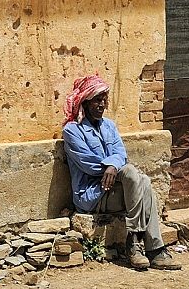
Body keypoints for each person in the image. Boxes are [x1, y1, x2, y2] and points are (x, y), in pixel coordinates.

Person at [61, 73, 181, 271]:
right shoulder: (72, 131)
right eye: (97, 100)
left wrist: (113, 166)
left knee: (144, 182)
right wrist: (112, 165)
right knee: (133, 174)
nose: (102, 105)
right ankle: (141, 245)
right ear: (85, 102)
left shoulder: (109, 126)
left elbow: (121, 154)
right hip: (93, 195)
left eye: (104, 100)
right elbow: (88, 164)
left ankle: (146, 246)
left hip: (114, 190)